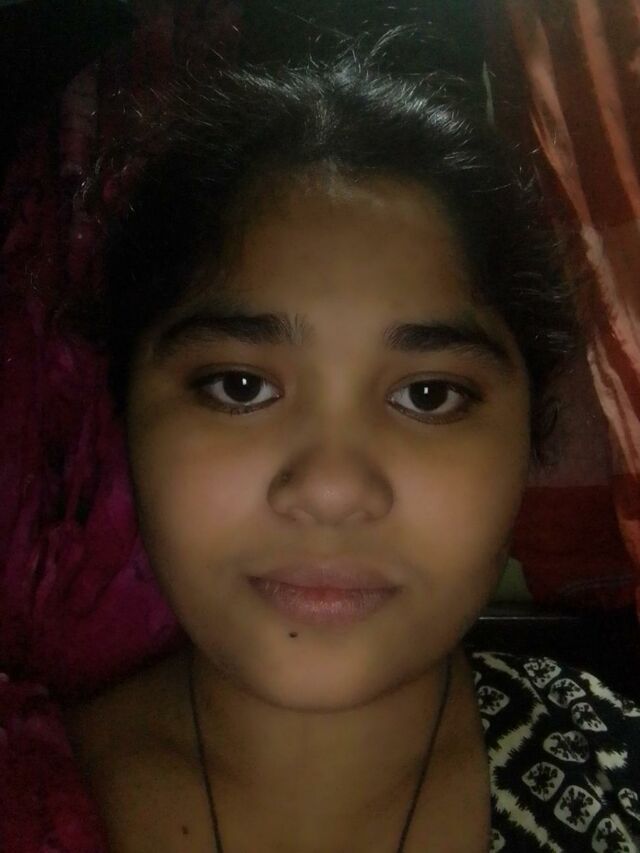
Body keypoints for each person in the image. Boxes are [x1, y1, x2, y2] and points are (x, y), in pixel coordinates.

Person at [3, 34, 640, 853]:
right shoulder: (25, 790)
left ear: (530, 434)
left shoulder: (612, 779)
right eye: (240, 386)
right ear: (126, 410)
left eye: (428, 394)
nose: (332, 488)